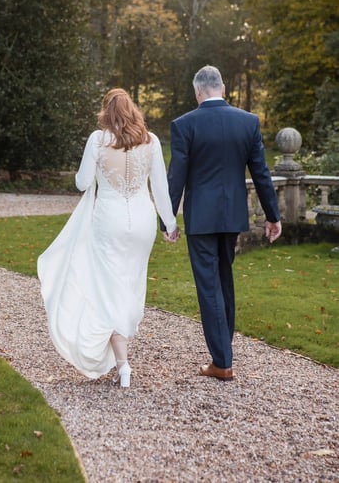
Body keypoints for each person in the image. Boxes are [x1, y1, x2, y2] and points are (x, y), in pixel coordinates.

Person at [38, 88, 179, 388]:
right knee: (131, 284)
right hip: (142, 221)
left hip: (109, 221)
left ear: (106, 111)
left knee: (109, 288)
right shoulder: (150, 141)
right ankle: (122, 354)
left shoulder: (98, 140)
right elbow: (161, 189)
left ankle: (123, 364)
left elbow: (82, 183)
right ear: (133, 110)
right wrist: (169, 224)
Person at [164, 65, 281, 381]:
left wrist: (167, 219)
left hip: (201, 217)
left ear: (198, 92)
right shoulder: (247, 122)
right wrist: (273, 216)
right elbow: (261, 174)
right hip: (231, 216)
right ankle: (223, 351)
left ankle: (222, 361)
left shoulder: (184, 125)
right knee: (224, 279)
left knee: (209, 285)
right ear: (223, 89)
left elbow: (176, 177)